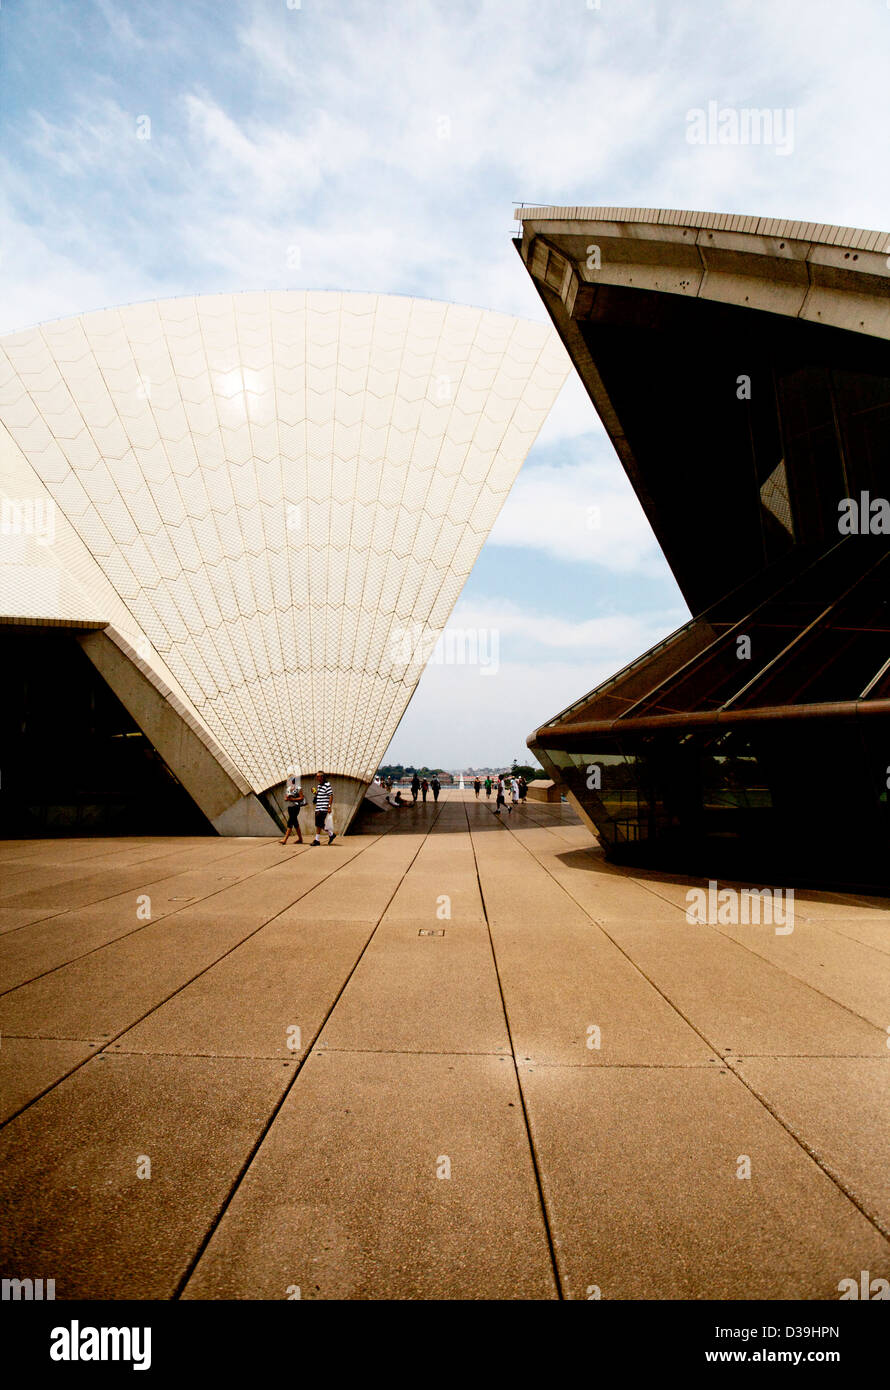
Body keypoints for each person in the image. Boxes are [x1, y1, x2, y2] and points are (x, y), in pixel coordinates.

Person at [280, 772, 305, 845]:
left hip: (296, 807)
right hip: (290, 807)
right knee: (295, 823)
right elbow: (286, 798)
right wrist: (287, 798)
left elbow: (301, 797)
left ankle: (285, 839)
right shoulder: (288, 788)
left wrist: (293, 799)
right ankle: (300, 839)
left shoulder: (298, 788)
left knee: (290, 822)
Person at [311, 770, 335, 845]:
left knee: (318, 823)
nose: (317, 777)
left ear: (322, 777)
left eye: (318, 776)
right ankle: (331, 834)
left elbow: (331, 795)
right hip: (318, 807)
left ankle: (317, 840)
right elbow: (319, 795)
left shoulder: (327, 784)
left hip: (323, 807)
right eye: (316, 776)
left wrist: (329, 807)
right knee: (319, 824)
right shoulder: (319, 786)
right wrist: (315, 793)